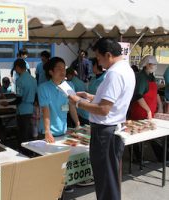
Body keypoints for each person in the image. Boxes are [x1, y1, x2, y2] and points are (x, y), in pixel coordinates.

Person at [69, 38, 135, 200]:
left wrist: (79, 103)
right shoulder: (125, 69)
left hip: (105, 132)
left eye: (98, 58)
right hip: (114, 129)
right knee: (110, 178)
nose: (97, 61)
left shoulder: (114, 73)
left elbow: (104, 109)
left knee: (105, 179)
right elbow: (110, 101)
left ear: (108, 55)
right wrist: (91, 96)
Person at [38, 57, 80, 143]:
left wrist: (77, 124)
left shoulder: (69, 85)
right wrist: (47, 131)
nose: (63, 71)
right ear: (51, 72)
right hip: (48, 132)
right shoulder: (43, 88)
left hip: (63, 131)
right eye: (59, 68)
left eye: (64, 68)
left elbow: (72, 106)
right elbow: (46, 110)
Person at [0, 59, 37, 150]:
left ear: (17, 67)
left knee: (22, 134)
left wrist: (8, 103)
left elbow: (19, 99)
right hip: (31, 108)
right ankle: (30, 151)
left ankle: (23, 152)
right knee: (29, 132)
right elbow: (36, 95)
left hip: (22, 110)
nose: (15, 71)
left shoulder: (20, 80)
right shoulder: (33, 79)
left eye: (15, 69)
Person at [129, 55, 163, 120]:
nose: (155, 66)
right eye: (153, 64)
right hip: (140, 112)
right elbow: (138, 96)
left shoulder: (151, 76)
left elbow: (156, 92)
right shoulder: (141, 77)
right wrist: (148, 110)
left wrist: (160, 105)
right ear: (147, 65)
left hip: (150, 111)